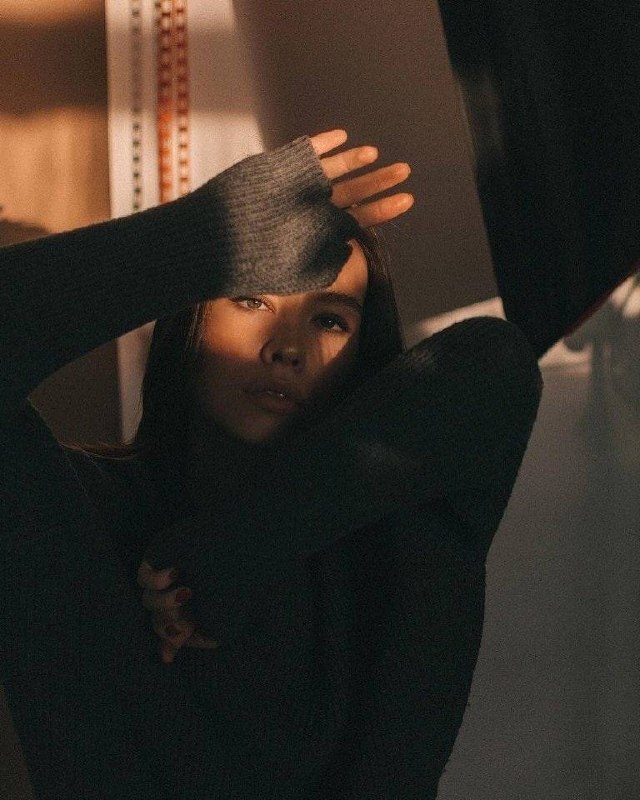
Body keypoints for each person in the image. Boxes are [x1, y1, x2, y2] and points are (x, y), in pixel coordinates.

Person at [0, 130, 541, 799]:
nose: (287, 346)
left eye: (330, 320)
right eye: (251, 298)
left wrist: (234, 551)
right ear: (190, 321)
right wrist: (203, 239)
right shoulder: (82, 509)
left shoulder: (395, 537)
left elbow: (497, 364)